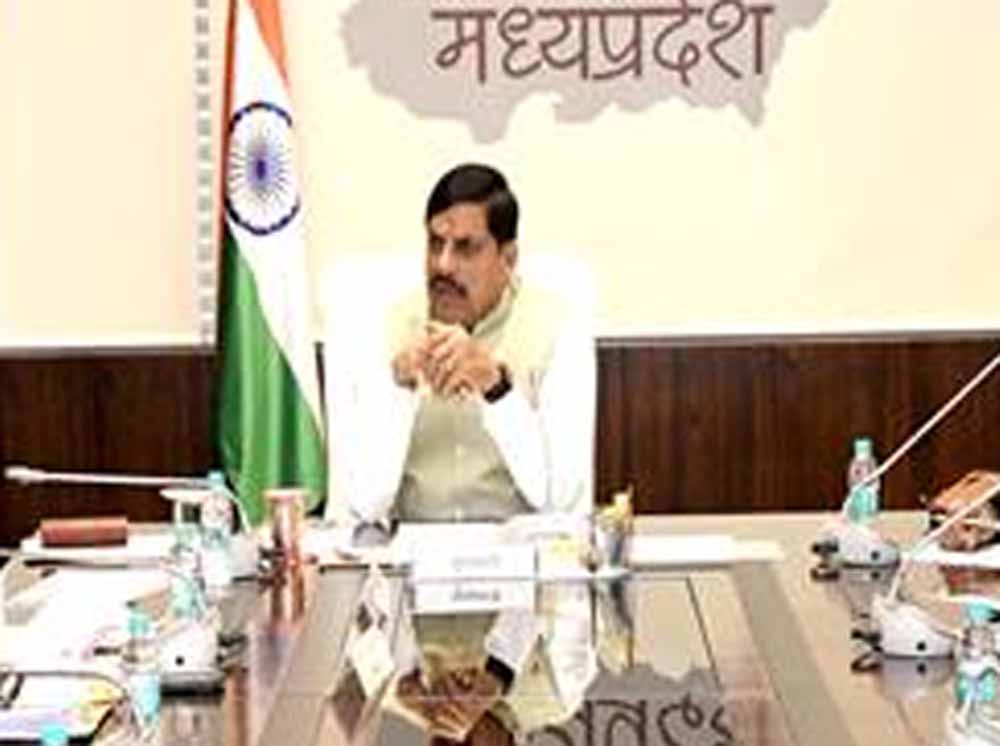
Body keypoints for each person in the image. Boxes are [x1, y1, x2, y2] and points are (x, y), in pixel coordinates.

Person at [325, 163, 595, 525]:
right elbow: (365, 505)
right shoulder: (388, 328)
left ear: (508, 259)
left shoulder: (556, 328)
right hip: (412, 550)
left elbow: (560, 503)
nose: (443, 265)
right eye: (435, 244)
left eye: (466, 248)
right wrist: (399, 387)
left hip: (515, 549)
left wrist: (496, 389)